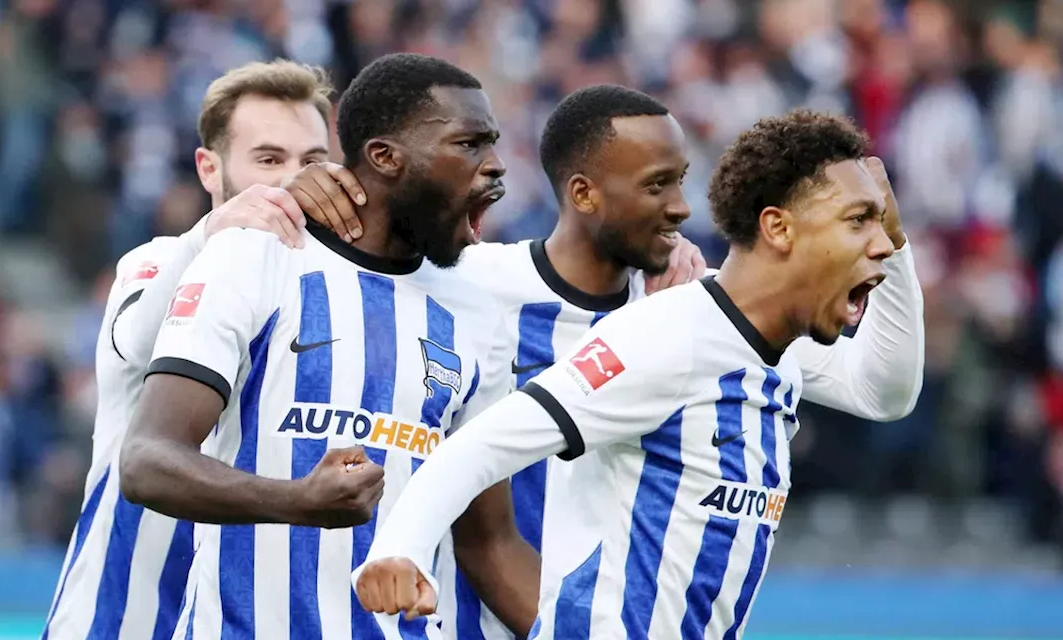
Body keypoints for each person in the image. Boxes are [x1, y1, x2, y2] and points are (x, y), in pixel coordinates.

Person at [284, 86, 923, 638]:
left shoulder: (756, 339)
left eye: (681, 180)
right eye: (657, 184)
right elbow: (479, 443)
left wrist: (891, 243)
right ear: (584, 193)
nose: (680, 206)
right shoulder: (655, 330)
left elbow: (885, 392)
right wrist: (293, 198)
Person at [117, 53, 540, 639]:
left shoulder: (477, 309)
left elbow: (490, 542)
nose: (494, 167)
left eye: (492, 144)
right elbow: (145, 460)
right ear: (385, 157)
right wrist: (298, 500)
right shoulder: (256, 256)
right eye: (469, 144)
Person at [41, 60, 344, 639]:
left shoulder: (335, 300)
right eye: (268, 159)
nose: (293, 181)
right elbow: (130, 344)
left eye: (311, 160)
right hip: (119, 618)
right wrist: (212, 235)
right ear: (210, 169)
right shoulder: (155, 262)